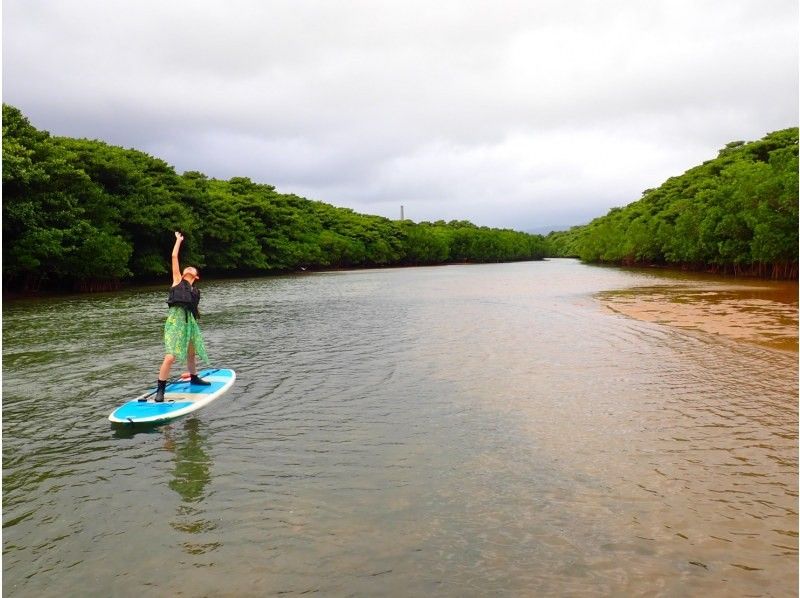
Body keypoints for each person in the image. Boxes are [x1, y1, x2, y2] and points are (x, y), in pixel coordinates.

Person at [151, 231, 210, 402]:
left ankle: (194, 377)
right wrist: (178, 240)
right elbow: (174, 256)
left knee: (192, 352)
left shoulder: (194, 291)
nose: (188, 268)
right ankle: (160, 390)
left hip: (189, 322)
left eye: (192, 269)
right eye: (187, 268)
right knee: (171, 356)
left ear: (196, 276)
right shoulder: (177, 280)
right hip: (176, 321)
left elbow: (193, 308)